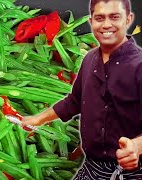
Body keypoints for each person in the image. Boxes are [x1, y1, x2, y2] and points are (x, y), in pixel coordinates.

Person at [21, 0, 142, 179]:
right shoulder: (90, 59)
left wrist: (137, 146)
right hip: (93, 166)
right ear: (91, 21)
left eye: (114, 17)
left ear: (128, 19)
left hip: (132, 170)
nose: (106, 24)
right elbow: (74, 101)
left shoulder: (138, 66)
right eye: (100, 18)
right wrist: (38, 119)